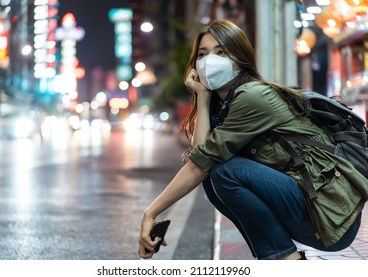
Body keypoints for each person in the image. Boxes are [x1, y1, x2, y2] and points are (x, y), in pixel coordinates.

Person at [138, 20, 368, 260]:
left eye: (221, 52)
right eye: (202, 54)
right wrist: (203, 97)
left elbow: (199, 163)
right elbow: (201, 156)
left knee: (226, 171)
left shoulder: (252, 96)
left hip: (331, 214)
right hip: (312, 204)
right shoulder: (226, 104)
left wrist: (150, 213)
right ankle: (278, 258)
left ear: (240, 58)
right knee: (214, 175)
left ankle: (284, 260)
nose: (209, 61)